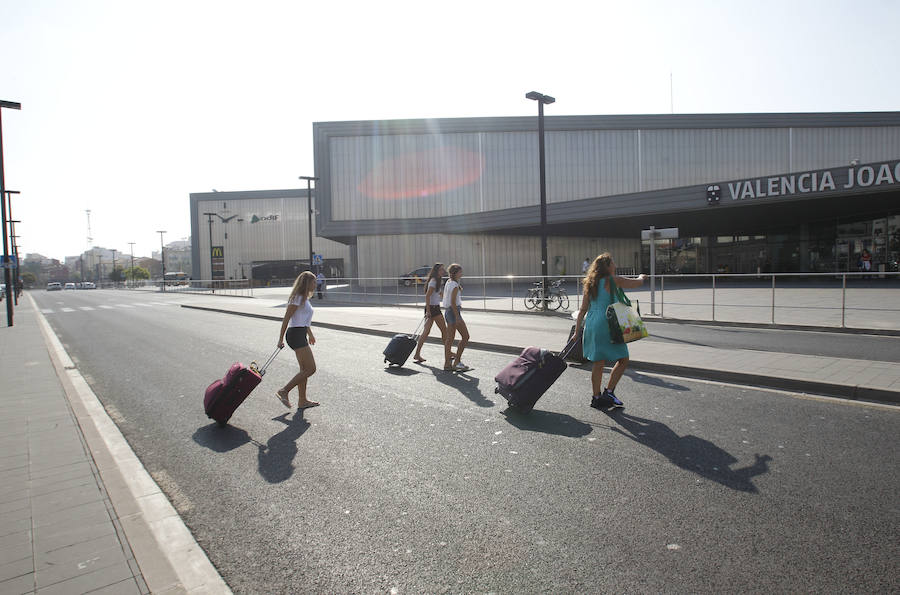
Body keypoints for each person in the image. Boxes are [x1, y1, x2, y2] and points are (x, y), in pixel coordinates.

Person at [571, 253, 646, 409]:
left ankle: (596, 397)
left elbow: (582, 310)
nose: (615, 265)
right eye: (613, 262)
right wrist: (642, 276)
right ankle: (609, 391)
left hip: (592, 323)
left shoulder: (590, 283)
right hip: (608, 322)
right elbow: (636, 283)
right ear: (608, 266)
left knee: (598, 363)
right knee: (623, 358)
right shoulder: (614, 280)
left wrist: (577, 331)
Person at [275, 271, 319, 410]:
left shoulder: (304, 299)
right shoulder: (298, 298)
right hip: (295, 334)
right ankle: (284, 391)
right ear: (307, 283)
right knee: (311, 368)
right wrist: (280, 338)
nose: (316, 284)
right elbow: (287, 319)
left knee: (304, 369)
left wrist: (310, 334)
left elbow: (304, 321)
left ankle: (302, 400)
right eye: (314, 282)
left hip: (300, 333)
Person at [413, 262, 448, 364]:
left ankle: (417, 354)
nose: (443, 271)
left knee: (427, 332)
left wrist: (448, 299)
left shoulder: (437, 280)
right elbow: (427, 296)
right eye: (441, 269)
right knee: (444, 331)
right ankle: (448, 352)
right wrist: (428, 311)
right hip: (432, 309)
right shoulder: (433, 281)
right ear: (437, 271)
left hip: (434, 308)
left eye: (443, 269)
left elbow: (440, 294)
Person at [442, 264, 471, 372]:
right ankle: (457, 362)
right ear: (455, 273)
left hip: (448, 312)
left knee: (449, 339)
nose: (461, 273)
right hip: (454, 312)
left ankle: (447, 364)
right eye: (460, 272)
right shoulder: (454, 284)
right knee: (465, 336)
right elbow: (453, 303)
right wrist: (458, 316)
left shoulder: (448, 282)